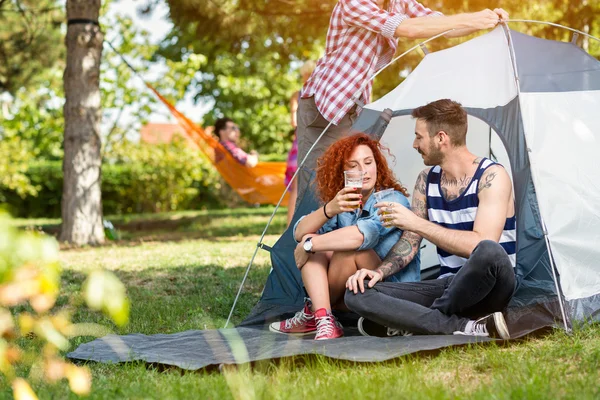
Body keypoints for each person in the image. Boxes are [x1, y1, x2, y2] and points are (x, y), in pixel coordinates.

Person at [295, 0, 509, 204]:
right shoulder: (353, 3)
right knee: (316, 187)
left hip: (352, 108)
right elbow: (408, 29)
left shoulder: (399, 3)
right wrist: (473, 19)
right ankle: (301, 241)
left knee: (351, 181)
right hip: (326, 105)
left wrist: (485, 20)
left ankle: (341, 238)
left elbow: (442, 26)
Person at [345, 99, 517, 339]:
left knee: (489, 250)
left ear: (441, 138)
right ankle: (462, 326)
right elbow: (411, 242)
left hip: (490, 286)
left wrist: (415, 222)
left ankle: (417, 321)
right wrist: (379, 273)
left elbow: (479, 245)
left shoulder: (492, 176)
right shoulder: (426, 180)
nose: (415, 144)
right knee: (357, 292)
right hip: (447, 287)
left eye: (419, 137)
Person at [269, 133, 419, 340]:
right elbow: (299, 232)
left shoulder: (392, 199)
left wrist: (309, 245)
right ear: (343, 172)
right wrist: (328, 210)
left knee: (343, 249)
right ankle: (323, 318)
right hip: (355, 289)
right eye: (353, 165)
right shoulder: (344, 203)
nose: (363, 171)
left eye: (368, 162)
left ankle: (315, 311)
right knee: (312, 240)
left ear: (378, 165)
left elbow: (362, 236)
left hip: (393, 293)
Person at [286, 61, 316, 226]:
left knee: (296, 188)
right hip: (312, 144)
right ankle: (295, 228)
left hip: (300, 145)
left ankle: (291, 228)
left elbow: (294, 121)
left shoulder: (297, 95)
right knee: (303, 187)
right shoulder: (323, 94)